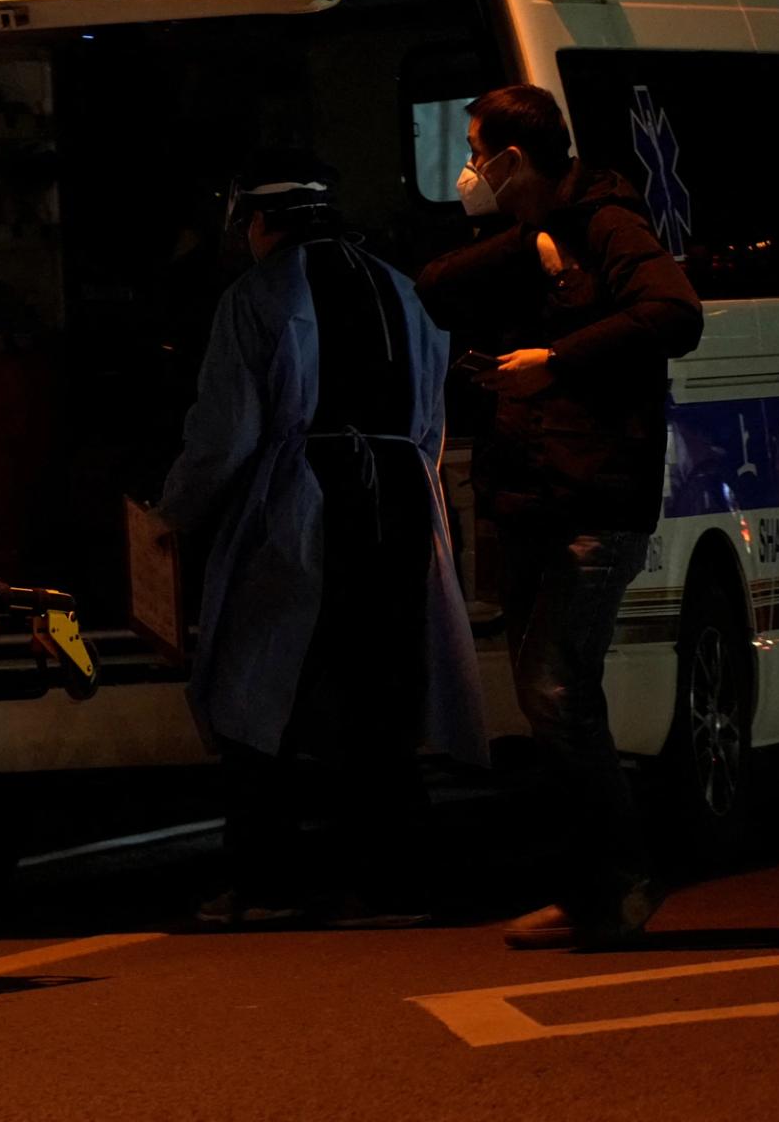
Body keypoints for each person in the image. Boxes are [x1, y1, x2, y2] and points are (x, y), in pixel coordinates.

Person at [155, 151, 485, 927]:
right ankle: (395, 883)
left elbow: (226, 430)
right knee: (383, 694)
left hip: (304, 505)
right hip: (404, 499)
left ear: (259, 224)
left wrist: (175, 512)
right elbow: (432, 416)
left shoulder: (257, 295)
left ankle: (266, 881)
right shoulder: (405, 289)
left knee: (256, 689)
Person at [416, 84, 703, 950]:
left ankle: (620, 882)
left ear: (511, 159)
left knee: (555, 688)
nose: (467, 168)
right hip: (537, 496)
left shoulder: (611, 224)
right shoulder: (536, 235)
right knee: (552, 700)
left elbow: (673, 313)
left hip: (595, 496)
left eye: (476, 150)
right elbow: (434, 286)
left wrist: (557, 361)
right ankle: (591, 889)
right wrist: (531, 248)